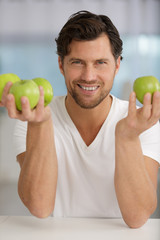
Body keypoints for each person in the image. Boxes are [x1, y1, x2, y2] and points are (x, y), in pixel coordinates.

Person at [0, 11, 160, 229]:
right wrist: (41, 125)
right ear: (61, 64)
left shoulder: (140, 123)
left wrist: (128, 137)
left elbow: (138, 216)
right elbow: (39, 206)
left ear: (117, 65)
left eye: (100, 62)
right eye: (77, 62)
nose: (89, 76)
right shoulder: (35, 119)